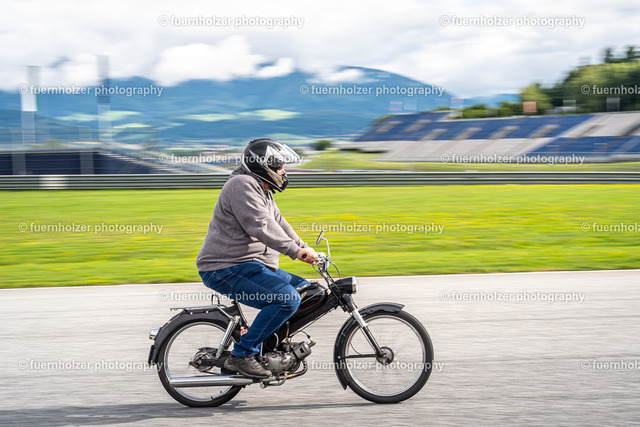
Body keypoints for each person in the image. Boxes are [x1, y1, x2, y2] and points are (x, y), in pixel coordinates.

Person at [196, 138, 318, 378]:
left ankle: (270, 347)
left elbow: (279, 224)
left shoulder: (263, 189)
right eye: (278, 166)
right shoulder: (241, 185)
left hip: (251, 266)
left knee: (309, 292)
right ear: (263, 166)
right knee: (286, 299)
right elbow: (261, 226)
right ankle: (243, 354)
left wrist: (305, 249)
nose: (283, 172)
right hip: (225, 268)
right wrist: (295, 252)